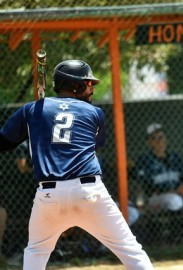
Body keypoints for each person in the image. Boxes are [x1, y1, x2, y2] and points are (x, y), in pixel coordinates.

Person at [0, 59, 154, 270]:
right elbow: (93, 144)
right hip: (89, 192)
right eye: (88, 83)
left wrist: (34, 126)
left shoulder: (32, 110)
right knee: (131, 251)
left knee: (35, 252)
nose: (91, 88)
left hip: (49, 195)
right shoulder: (95, 113)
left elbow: (4, 143)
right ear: (76, 85)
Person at [135, 123, 183, 239]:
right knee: (174, 200)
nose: (159, 141)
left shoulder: (174, 157)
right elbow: (147, 187)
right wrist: (173, 191)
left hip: (180, 195)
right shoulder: (144, 160)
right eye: (154, 138)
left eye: (161, 137)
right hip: (157, 199)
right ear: (149, 143)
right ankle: (175, 235)